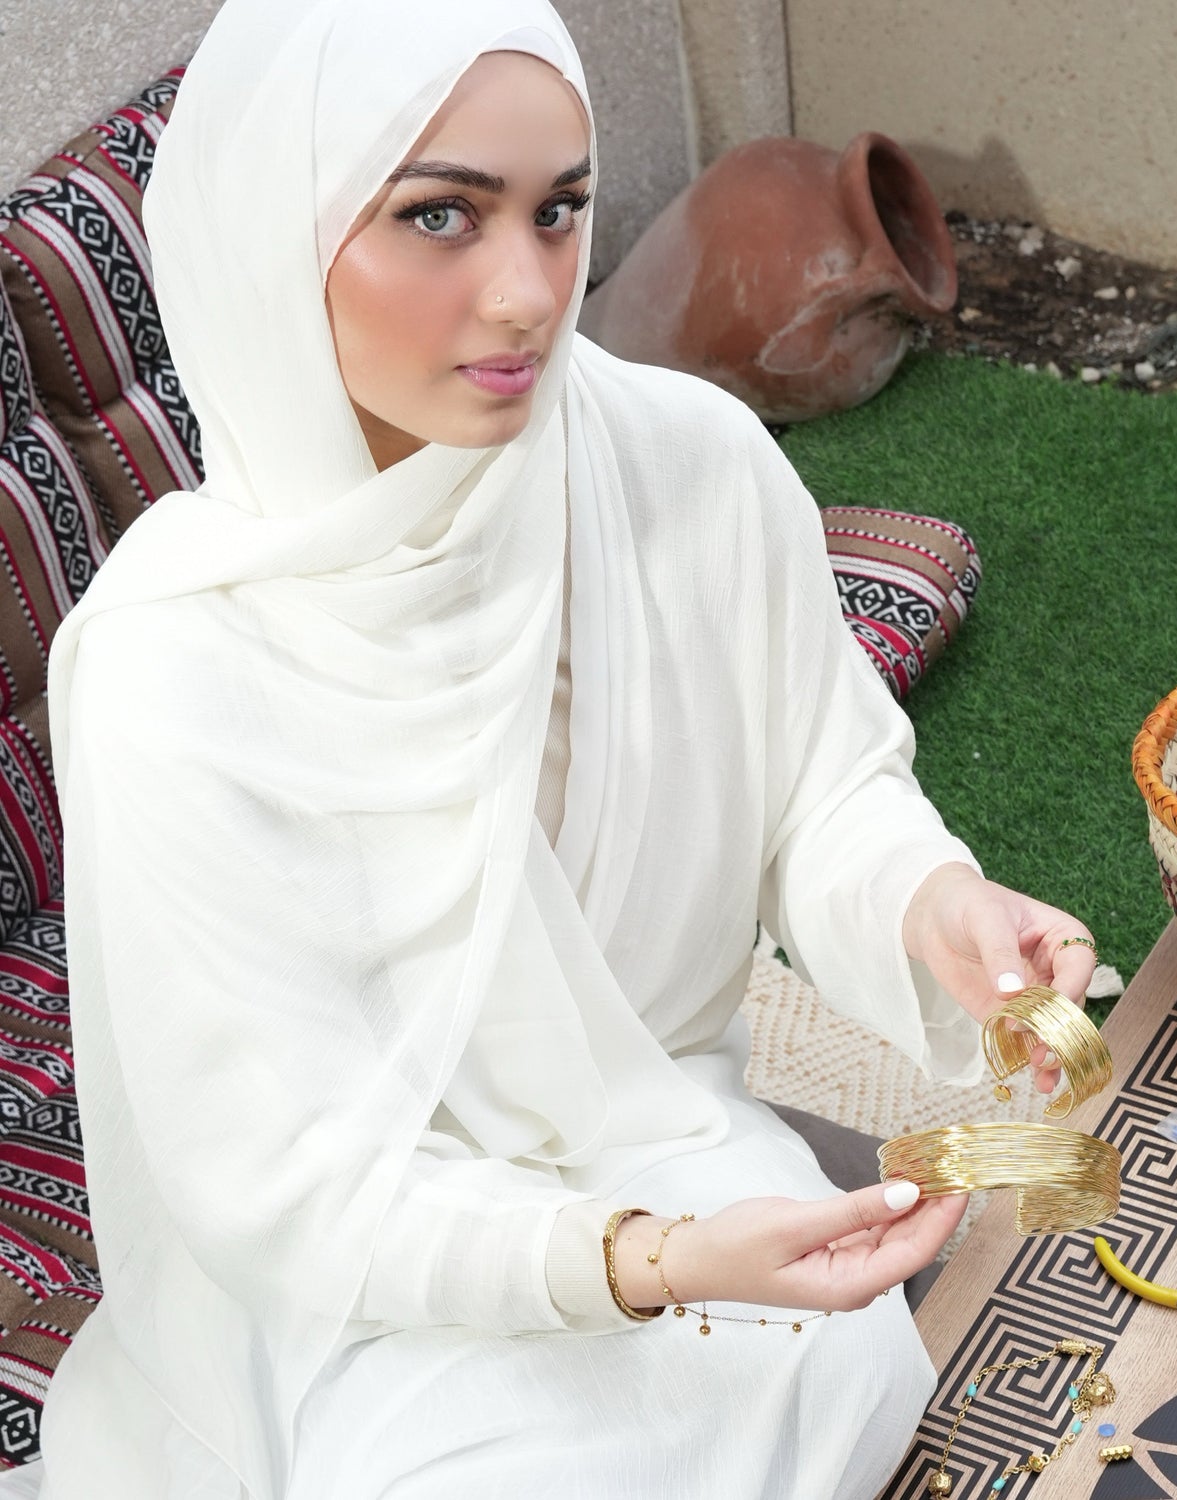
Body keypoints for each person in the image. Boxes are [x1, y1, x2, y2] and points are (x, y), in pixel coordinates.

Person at [8, 2, 1098, 1496]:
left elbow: (822, 792)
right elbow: (291, 1195)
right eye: (438, 216)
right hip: (359, 1303)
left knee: (834, 1361)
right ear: (273, 236)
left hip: (668, 1150)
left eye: (560, 210)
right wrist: (647, 1265)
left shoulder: (690, 469)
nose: (527, 293)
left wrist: (931, 902)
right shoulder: (170, 667)